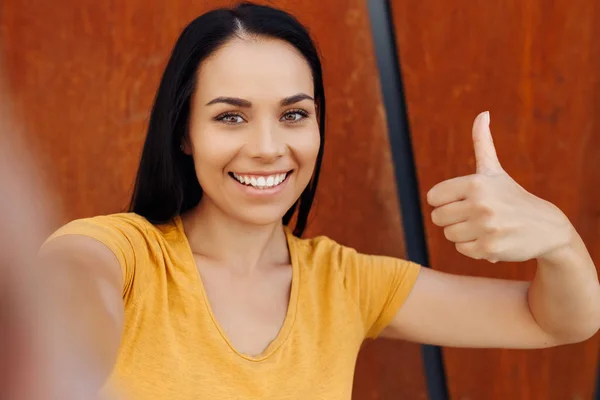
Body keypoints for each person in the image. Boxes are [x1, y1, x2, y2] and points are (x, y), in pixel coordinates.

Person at [3, 2, 597, 399]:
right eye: (231, 116)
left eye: (293, 114)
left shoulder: (345, 283)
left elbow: (557, 321)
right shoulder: (123, 254)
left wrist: (558, 238)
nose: (268, 147)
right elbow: (64, 304)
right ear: (184, 132)